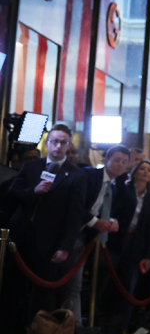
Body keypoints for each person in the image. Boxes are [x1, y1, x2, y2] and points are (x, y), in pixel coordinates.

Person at [6, 124, 87, 321]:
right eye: (54, 141)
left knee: (44, 295)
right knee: (13, 289)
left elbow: (74, 215)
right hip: (21, 237)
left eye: (63, 142)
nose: (58, 146)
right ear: (47, 143)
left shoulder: (76, 175)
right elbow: (12, 194)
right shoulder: (32, 166)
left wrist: (65, 247)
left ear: (68, 145)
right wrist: (34, 191)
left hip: (50, 242)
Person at [64, 144, 130, 324]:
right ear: (106, 160)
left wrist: (112, 221)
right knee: (71, 284)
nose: (120, 165)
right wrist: (95, 222)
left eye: (124, 162)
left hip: (86, 237)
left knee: (76, 284)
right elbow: (76, 205)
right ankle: (73, 328)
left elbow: (102, 211)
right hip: (69, 233)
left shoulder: (114, 187)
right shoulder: (90, 175)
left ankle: (77, 327)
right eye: (116, 160)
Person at [107, 160, 150, 334]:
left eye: (149, 170)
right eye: (142, 169)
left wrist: (148, 256)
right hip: (117, 240)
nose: (145, 172)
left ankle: (122, 329)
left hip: (136, 244)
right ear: (135, 172)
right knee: (109, 282)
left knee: (129, 286)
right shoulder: (124, 190)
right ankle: (103, 327)